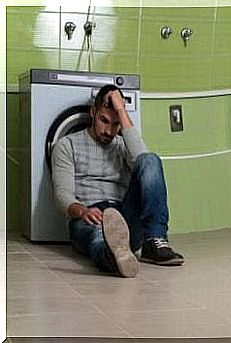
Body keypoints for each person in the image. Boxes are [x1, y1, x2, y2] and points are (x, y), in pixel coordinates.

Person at [52, 84, 184, 278]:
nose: (108, 131)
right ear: (93, 112)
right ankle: (111, 256)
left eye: (115, 125)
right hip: (90, 214)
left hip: (124, 216)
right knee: (99, 236)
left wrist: (121, 109)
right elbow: (62, 195)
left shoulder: (123, 146)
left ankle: (154, 239)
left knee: (150, 159)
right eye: (104, 121)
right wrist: (82, 211)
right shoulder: (67, 145)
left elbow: (144, 159)